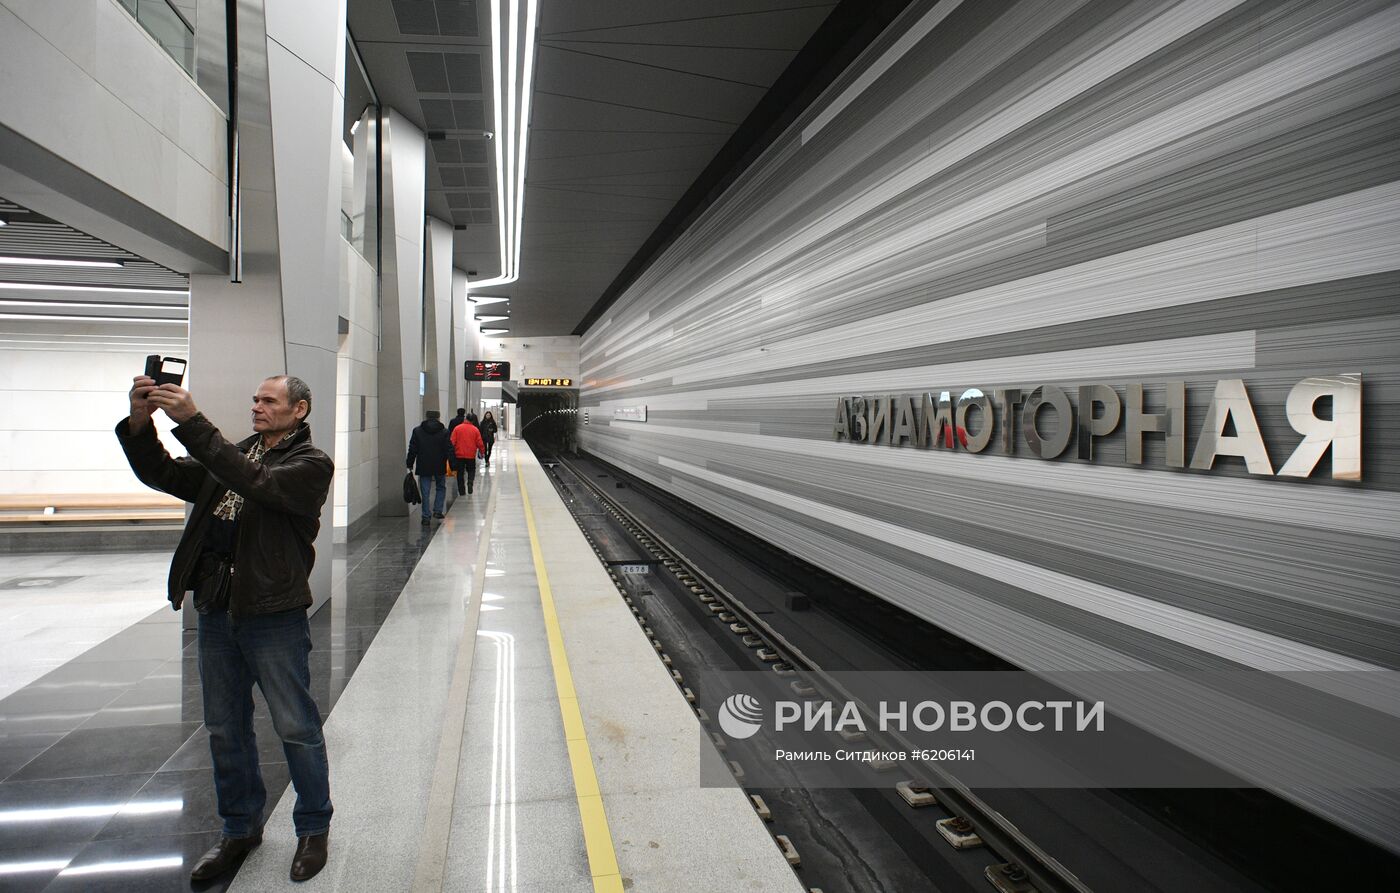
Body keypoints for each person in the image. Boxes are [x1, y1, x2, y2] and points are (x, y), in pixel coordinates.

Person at [116, 373, 334, 883]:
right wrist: (140, 423)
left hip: (272, 613)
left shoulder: (309, 464)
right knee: (223, 727)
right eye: (254, 398)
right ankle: (239, 829)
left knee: (295, 726)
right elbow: (165, 475)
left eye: (268, 400)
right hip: (217, 609)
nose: (256, 406)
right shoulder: (235, 452)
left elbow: (256, 483)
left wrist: (192, 421)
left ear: (299, 410)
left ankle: (313, 828)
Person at [407, 409, 452, 524]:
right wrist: (453, 464)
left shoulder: (417, 431)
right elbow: (449, 450)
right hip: (439, 464)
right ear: (438, 418)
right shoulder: (444, 432)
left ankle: (426, 516)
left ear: (426, 417)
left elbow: (413, 449)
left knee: (425, 491)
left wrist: (410, 463)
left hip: (423, 465)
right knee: (441, 487)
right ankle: (437, 510)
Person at [450, 412, 485, 495]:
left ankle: (462, 491)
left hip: (459, 455)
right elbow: (479, 442)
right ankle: (470, 482)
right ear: (472, 421)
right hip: (471, 455)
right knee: (471, 470)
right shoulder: (475, 429)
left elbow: (452, 442)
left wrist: (451, 453)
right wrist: (482, 451)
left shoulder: (457, 428)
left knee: (460, 473)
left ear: (465, 419)